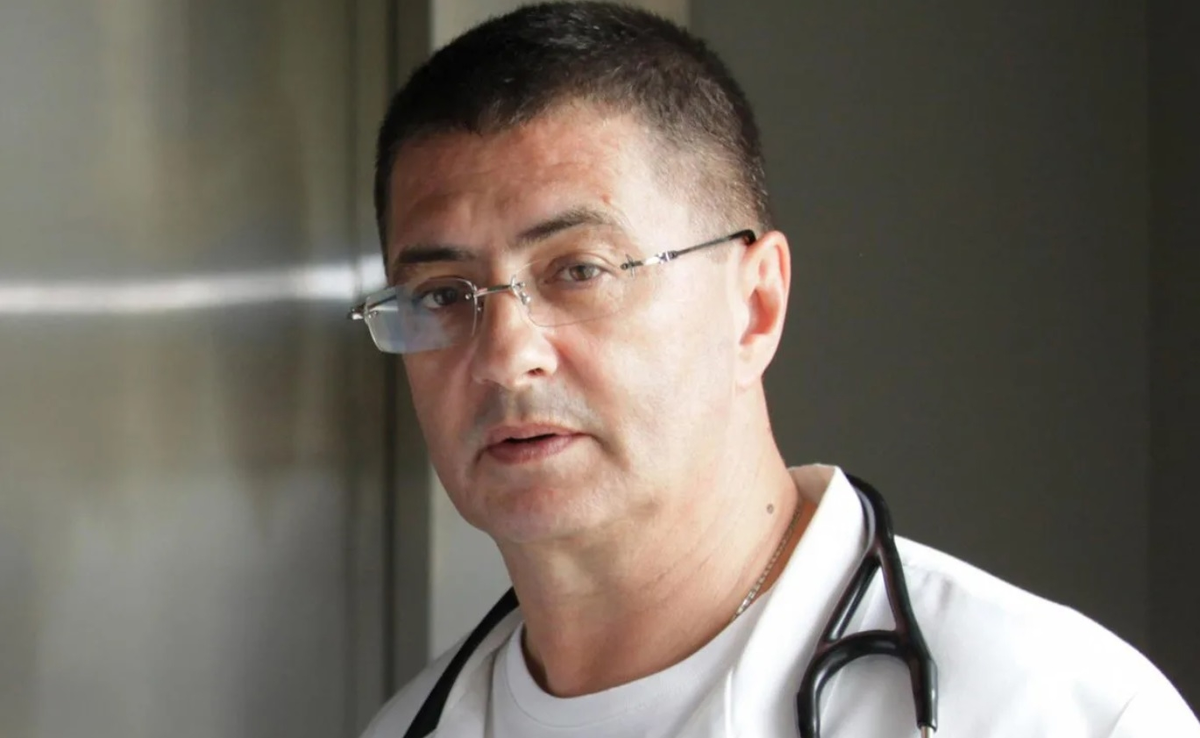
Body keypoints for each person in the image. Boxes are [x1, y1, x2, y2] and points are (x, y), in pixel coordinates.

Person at [353, 2, 1200, 736]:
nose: (506, 355)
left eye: (580, 270)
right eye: (442, 295)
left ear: (755, 305)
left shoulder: (1054, 712)